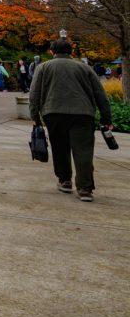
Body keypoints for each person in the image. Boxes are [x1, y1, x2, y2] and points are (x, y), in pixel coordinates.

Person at [29, 38, 113, 202]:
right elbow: (100, 95)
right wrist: (106, 117)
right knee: (83, 151)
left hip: (53, 113)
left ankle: (64, 180)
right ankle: (85, 188)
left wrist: (35, 117)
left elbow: (34, 94)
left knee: (59, 148)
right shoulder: (85, 68)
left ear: (52, 52)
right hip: (82, 114)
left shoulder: (43, 67)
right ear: (71, 52)